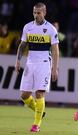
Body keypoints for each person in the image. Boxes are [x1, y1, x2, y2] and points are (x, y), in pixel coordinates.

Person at [14, 2, 59, 132]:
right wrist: (17, 61)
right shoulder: (28, 27)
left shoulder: (51, 29)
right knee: (24, 95)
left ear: (44, 13)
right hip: (30, 63)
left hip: (44, 63)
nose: (36, 15)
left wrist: (54, 68)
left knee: (39, 93)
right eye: (34, 12)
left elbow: (55, 51)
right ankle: (40, 111)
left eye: (38, 13)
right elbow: (22, 45)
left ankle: (36, 124)